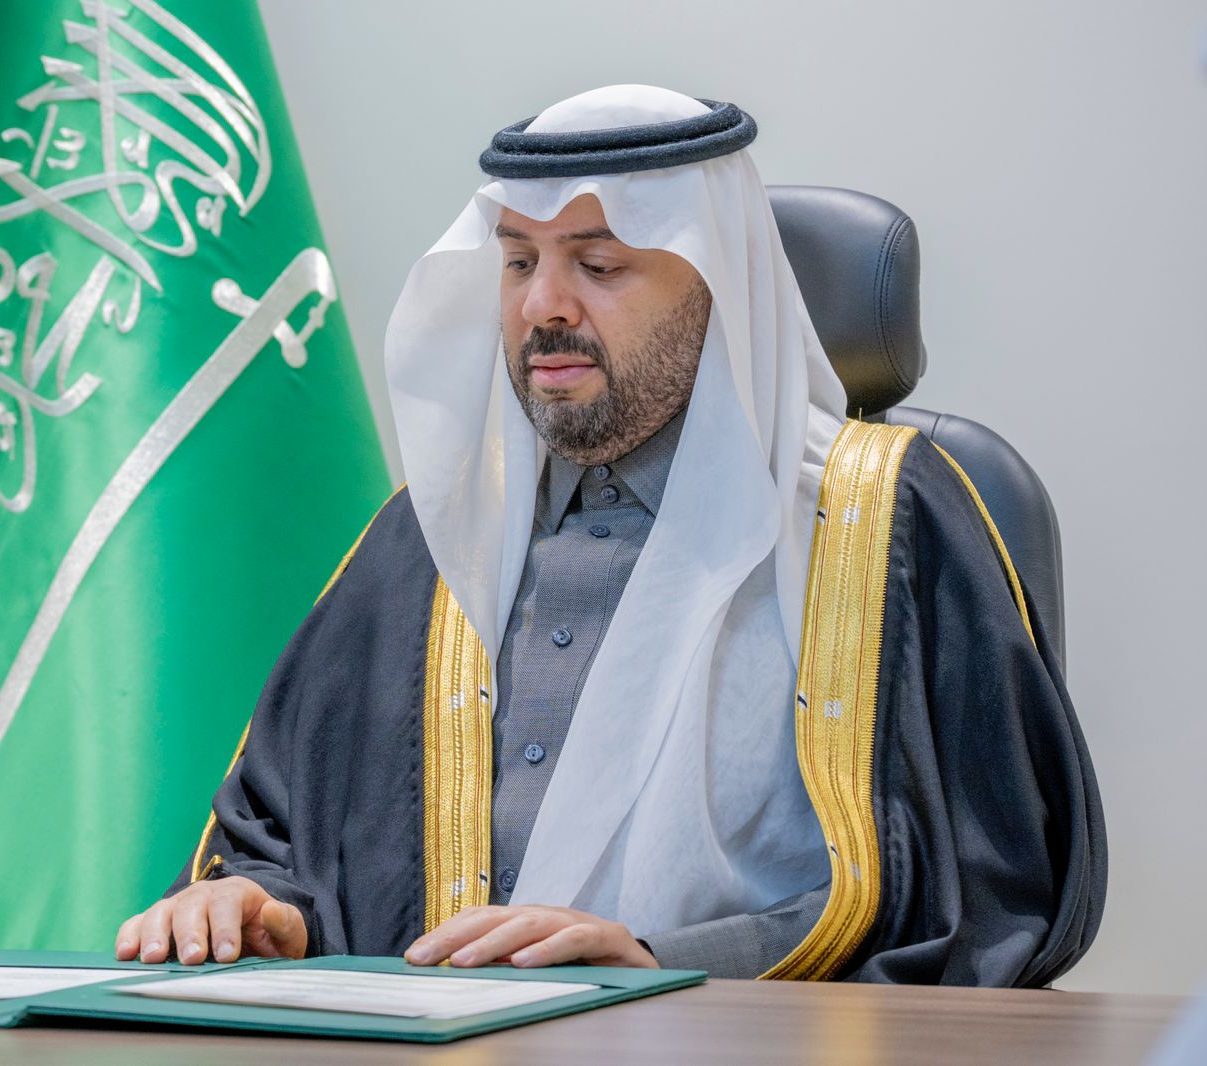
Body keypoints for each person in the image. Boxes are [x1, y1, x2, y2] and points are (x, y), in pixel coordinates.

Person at [113, 86, 1105, 984]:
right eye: (517, 262)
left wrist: (659, 966)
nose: (541, 306)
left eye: (597, 265)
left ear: (718, 287)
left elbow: (982, 889)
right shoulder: (427, 539)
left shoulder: (878, 521)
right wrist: (264, 910)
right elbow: (286, 834)